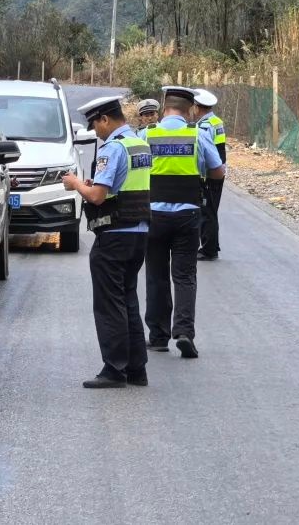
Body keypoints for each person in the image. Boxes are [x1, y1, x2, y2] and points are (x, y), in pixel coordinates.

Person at [63, 95, 152, 389]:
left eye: (95, 125)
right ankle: (136, 369)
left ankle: (114, 369)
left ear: (105, 119)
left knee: (109, 304)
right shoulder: (139, 143)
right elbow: (123, 187)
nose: (96, 132)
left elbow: (98, 196)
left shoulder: (113, 148)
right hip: (138, 233)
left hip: (114, 235)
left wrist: (76, 184)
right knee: (128, 299)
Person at [138, 86, 224, 358]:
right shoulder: (197, 134)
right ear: (190, 110)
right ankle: (184, 332)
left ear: (164, 108)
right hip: (188, 215)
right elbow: (218, 171)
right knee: (185, 276)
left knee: (156, 276)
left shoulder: (147, 134)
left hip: (154, 215)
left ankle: (158, 336)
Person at [192, 88, 226, 261]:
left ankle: (209, 249)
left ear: (197, 107)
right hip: (219, 171)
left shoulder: (204, 126)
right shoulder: (216, 121)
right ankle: (211, 246)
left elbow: (205, 154)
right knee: (212, 210)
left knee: (206, 212)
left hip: (210, 174)